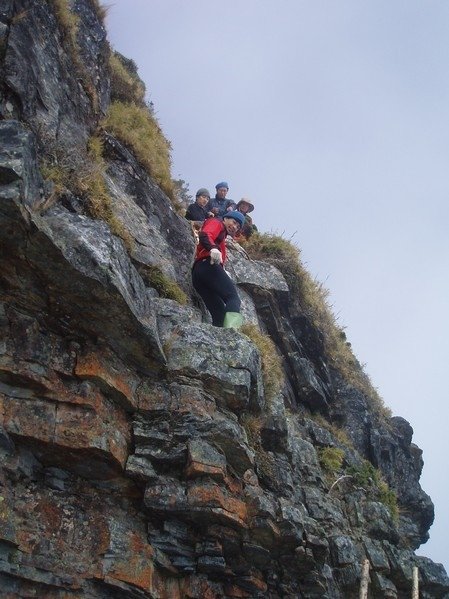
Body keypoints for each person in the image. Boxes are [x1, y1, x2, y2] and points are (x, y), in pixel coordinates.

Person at [192, 210, 245, 328]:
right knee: (233, 298)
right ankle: (232, 333)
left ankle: (220, 338)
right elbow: (205, 234)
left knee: (219, 316)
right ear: (226, 218)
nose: (235, 227)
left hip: (198, 274)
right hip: (207, 265)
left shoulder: (221, 238)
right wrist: (213, 248)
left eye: (238, 226)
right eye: (234, 222)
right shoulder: (217, 223)